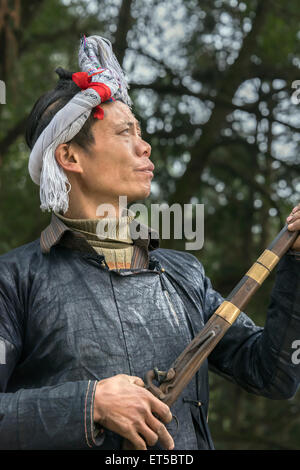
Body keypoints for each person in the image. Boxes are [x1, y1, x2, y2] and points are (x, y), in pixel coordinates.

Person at [0, 35, 299, 451]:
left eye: (140, 131)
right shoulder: (13, 281)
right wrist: (89, 405)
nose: (145, 145)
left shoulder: (184, 275)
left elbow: (275, 374)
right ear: (70, 158)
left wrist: (297, 262)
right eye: (126, 132)